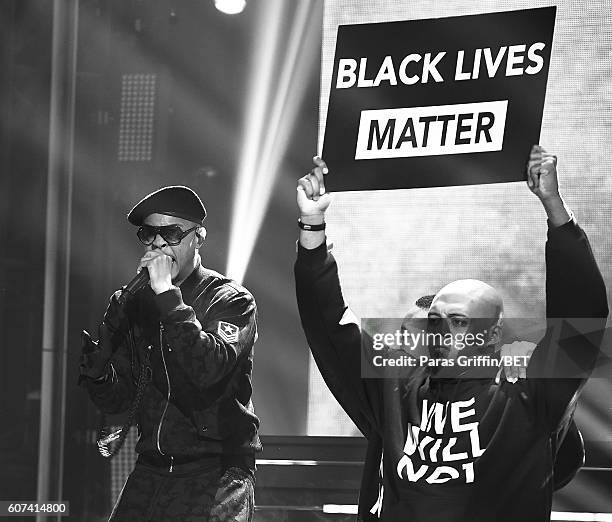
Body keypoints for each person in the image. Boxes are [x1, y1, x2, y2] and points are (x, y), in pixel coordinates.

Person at [294, 146, 608, 521]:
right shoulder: (396, 388)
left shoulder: (526, 394)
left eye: (459, 321)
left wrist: (554, 207)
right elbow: (330, 328)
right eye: (435, 321)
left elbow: (580, 318)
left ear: (492, 335)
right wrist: (312, 227)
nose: (441, 333)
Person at [79, 185, 260, 522]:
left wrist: (167, 295)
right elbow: (120, 402)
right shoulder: (136, 304)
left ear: (198, 238)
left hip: (216, 474)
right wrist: (99, 370)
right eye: (149, 234)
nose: (158, 244)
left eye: (171, 233)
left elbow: (207, 370)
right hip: (152, 470)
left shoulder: (231, 300)